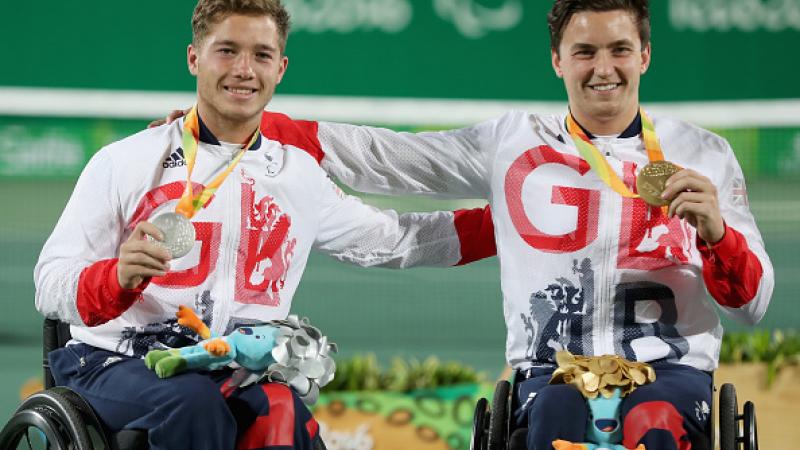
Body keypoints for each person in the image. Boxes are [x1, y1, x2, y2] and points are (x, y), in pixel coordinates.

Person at [159, 0, 774, 448]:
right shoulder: (513, 144)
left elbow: (752, 306)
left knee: (655, 429)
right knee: (553, 425)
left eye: (618, 49)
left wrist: (720, 236)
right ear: (557, 61)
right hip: (550, 369)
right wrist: (232, 126)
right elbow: (389, 157)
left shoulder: (705, 155)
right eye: (584, 51)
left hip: (670, 370)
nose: (602, 67)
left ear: (644, 55)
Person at [33, 1, 493, 449]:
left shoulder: (298, 175)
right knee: (195, 402)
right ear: (194, 58)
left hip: (232, 367)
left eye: (261, 55)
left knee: (282, 409)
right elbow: (49, 283)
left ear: (281, 68)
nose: (243, 69)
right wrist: (116, 277)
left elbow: (394, 241)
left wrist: (508, 225)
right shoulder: (125, 161)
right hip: (116, 361)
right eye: (227, 50)